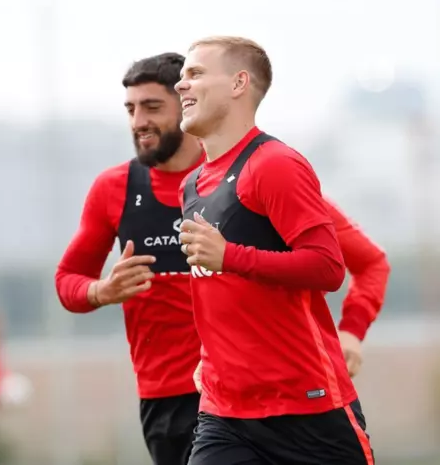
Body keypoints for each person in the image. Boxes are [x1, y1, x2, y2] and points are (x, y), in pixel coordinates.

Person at [175, 36, 376, 465]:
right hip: (224, 413)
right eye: (182, 76)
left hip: (308, 410)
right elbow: (221, 295)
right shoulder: (191, 185)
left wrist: (230, 256)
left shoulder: (275, 164)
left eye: (195, 73)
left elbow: (328, 267)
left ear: (238, 83)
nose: (181, 84)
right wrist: (214, 357)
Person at [55, 53, 205, 465]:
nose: (139, 121)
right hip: (166, 398)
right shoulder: (113, 188)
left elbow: (332, 258)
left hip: (242, 388)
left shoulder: (237, 174)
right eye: (131, 109)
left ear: (188, 106)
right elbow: (67, 280)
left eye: (152, 107)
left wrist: (349, 331)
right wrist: (102, 291)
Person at [193, 197, 391, 386]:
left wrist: (352, 329)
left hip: (304, 374)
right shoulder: (202, 196)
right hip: (226, 379)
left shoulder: (295, 196)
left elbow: (371, 263)